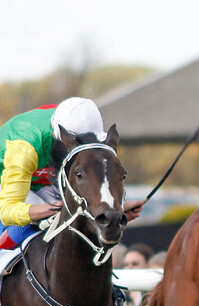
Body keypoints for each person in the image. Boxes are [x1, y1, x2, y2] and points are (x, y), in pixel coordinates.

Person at [0, 97, 143, 245]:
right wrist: (55, 210)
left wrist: (112, 210)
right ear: (58, 134)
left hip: (39, 179)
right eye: (76, 144)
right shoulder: (24, 149)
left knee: (69, 221)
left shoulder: (75, 117)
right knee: (45, 221)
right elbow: (8, 211)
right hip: (5, 180)